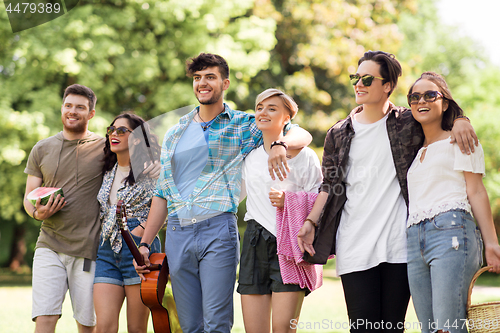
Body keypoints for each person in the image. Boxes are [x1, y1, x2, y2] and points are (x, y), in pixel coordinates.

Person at [297, 51, 478, 332]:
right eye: (356, 77)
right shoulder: (338, 133)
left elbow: (437, 115)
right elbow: (329, 184)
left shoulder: (407, 123)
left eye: (367, 78)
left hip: (399, 246)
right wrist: (311, 221)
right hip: (354, 244)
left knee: (393, 327)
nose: (359, 83)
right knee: (363, 328)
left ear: (388, 86)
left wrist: (461, 119)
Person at [135, 53, 312, 333]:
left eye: (210, 77)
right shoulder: (175, 133)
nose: (202, 83)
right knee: (190, 325)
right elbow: (162, 193)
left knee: (216, 324)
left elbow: (301, 133)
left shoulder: (244, 124)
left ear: (225, 83)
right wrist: (145, 244)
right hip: (179, 233)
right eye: (197, 78)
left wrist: (279, 144)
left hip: (218, 230)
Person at [405, 72, 500, 333]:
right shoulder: (415, 151)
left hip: (451, 232)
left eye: (430, 95)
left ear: (445, 102)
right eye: (414, 96)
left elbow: (477, 191)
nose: (420, 100)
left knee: (448, 327)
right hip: (414, 241)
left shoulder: (460, 139)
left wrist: (491, 243)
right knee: (430, 329)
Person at [237, 88, 323, 333]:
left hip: (290, 243)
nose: (263, 112)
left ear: (287, 117)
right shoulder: (249, 158)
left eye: (272, 108)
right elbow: (234, 198)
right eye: (259, 107)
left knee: (284, 329)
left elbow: (322, 198)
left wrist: (291, 201)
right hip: (254, 242)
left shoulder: (305, 157)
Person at [23, 84, 101, 333]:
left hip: (89, 249)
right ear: (62, 109)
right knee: (45, 318)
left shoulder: (105, 147)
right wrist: (37, 213)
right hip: (49, 245)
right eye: (68, 105)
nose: (73, 111)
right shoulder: (42, 148)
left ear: (91, 114)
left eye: (80, 107)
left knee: (87, 324)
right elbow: (28, 197)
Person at [93, 113, 161, 333]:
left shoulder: (152, 171)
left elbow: (165, 208)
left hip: (138, 248)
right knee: (103, 326)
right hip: (106, 250)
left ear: (138, 138)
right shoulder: (107, 172)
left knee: (136, 327)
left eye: (122, 131)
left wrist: (139, 235)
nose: (114, 134)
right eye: (111, 130)